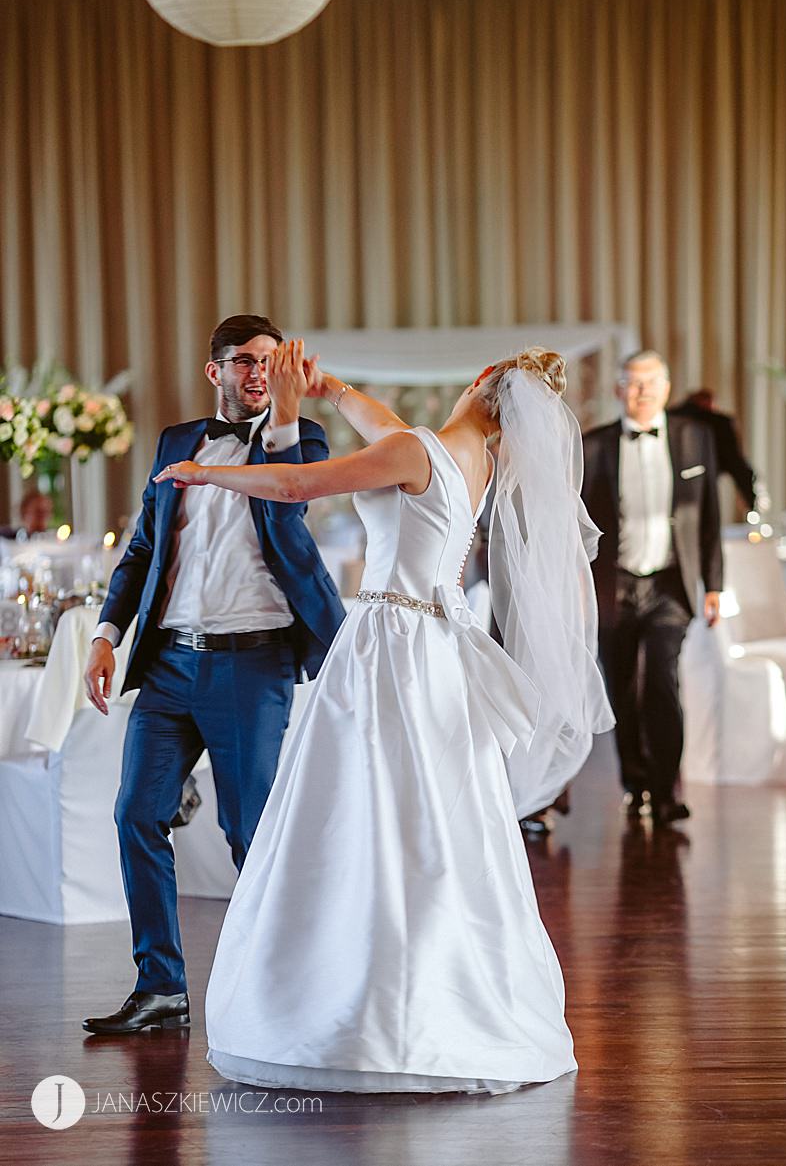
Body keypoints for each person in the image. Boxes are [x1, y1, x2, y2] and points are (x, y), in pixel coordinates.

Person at [151, 342, 610, 1092]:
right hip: (438, 650)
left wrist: (209, 474)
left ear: (479, 379)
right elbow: (392, 429)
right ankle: (438, 992)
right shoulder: (479, 464)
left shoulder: (414, 448)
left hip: (386, 647)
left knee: (360, 810)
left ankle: (357, 1001)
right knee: (429, 815)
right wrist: (330, 387)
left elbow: (300, 485)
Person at [79, 315, 344, 1036]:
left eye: (270, 360)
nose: (259, 372)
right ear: (215, 370)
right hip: (169, 664)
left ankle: (284, 989)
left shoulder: (303, 441)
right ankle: (160, 985)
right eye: (246, 361)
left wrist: (286, 415)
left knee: (249, 833)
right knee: (137, 811)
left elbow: (289, 500)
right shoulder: (173, 443)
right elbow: (140, 550)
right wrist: (107, 634)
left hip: (251, 664)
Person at [582, 350, 722, 824]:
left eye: (651, 383)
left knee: (662, 681)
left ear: (666, 387)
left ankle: (666, 790)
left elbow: (708, 517)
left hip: (669, 583)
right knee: (620, 686)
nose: (642, 392)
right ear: (619, 389)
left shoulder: (694, 437)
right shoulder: (593, 444)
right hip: (613, 584)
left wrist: (714, 584)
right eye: (632, 383)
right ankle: (635, 783)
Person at [670, 386, 760, 514]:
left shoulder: (668, 416)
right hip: (702, 493)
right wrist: (752, 504)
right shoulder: (719, 423)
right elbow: (736, 464)